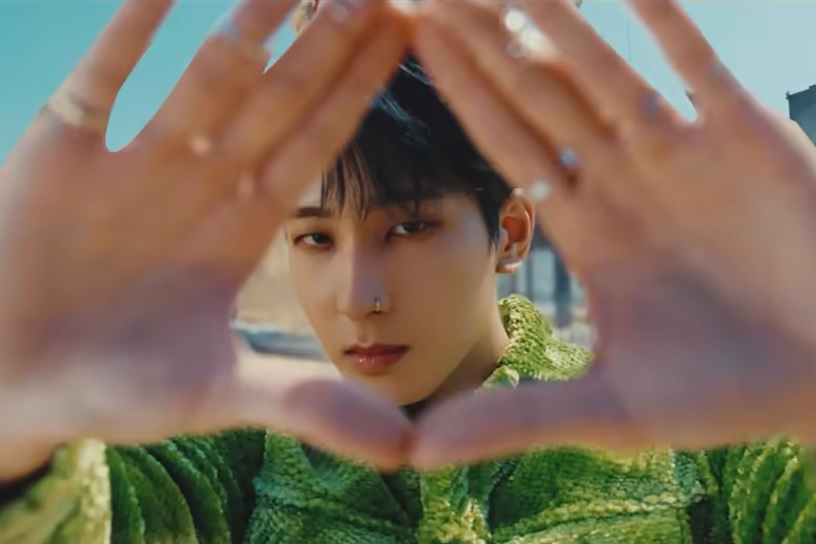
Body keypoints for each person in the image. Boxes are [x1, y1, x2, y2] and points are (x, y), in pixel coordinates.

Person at [3, 1, 816, 543]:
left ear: (508, 233)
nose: (360, 298)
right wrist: (17, 439)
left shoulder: (690, 423)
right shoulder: (246, 457)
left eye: (410, 227)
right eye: (314, 239)